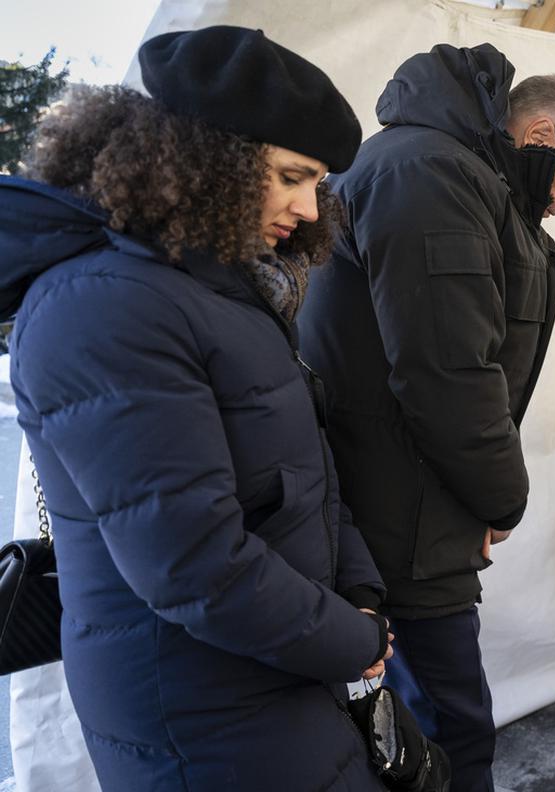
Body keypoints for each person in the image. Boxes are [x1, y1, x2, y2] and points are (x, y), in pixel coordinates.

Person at [0, 26, 395, 791]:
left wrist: (360, 592)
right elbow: (194, 566)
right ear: (207, 159)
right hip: (193, 706)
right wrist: (352, 638)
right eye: (291, 176)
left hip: (275, 669)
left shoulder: (222, 286)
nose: (311, 209)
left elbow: (302, 472)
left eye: (317, 183)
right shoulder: (104, 308)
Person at [297, 43, 555, 791]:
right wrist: (502, 498)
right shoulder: (429, 175)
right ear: (543, 139)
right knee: (449, 731)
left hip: (410, 507)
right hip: (397, 520)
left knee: (423, 728)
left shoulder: (461, 174)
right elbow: (447, 375)